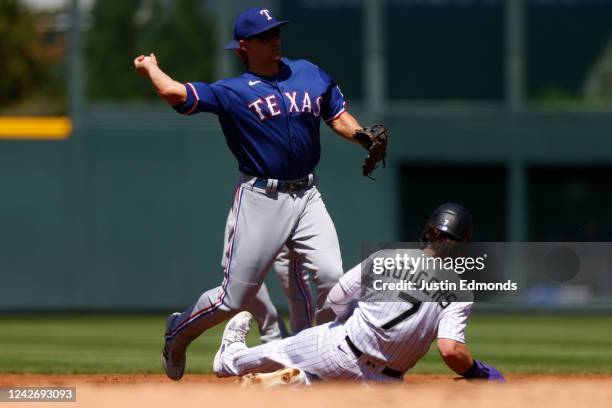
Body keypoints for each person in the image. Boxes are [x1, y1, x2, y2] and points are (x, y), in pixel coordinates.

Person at [133, 7, 379, 381]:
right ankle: (177, 334)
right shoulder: (232, 92)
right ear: (243, 47)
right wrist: (151, 68)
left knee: (332, 279)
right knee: (231, 299)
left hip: (308, 195)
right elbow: (175, 94)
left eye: (276, 33)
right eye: (264, 37)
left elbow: (338, 117)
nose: (274, 40)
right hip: (261, 197)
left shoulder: (308, 73)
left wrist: (362, 137)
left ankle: (323, 363)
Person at [213, 203, 505, 383]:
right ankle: (296, 383)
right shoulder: (460, 291)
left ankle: (230, 359)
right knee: (334, 387)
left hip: (339, 350)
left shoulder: (388, 257)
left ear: (428, 232)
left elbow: (337, 296)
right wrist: (477, 372)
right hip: (384, 383)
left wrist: (347, 320)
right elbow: (450, 349)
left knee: (282, 349)